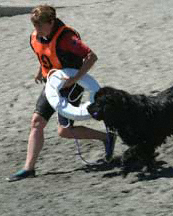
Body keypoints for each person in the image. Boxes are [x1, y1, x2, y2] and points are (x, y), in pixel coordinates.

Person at [7, 5, 116, 182]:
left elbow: (91, 56)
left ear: (51, 22)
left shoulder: (67, 37)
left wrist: (76, 79)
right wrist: (40, 70)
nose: (37, 30)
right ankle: (29, 168)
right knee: (36, 122)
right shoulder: (36, 36)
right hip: (53, 83)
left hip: (72, 84)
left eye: (40, 26)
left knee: (64, 132)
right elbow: (47, 54)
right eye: (34, 26)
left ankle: (106, 137)